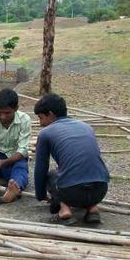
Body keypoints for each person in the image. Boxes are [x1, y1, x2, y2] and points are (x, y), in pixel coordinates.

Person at [34, 93, 109, 224]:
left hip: (72, 192)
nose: (40, 124)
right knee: (81, 173)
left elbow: (41, 169)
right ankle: (92, 208)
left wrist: (41, 195)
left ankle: (65, 209)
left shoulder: (45, 133)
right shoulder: (86, 127)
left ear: (50, 114)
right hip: (100, 190)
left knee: (51, 174)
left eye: (41, 118)